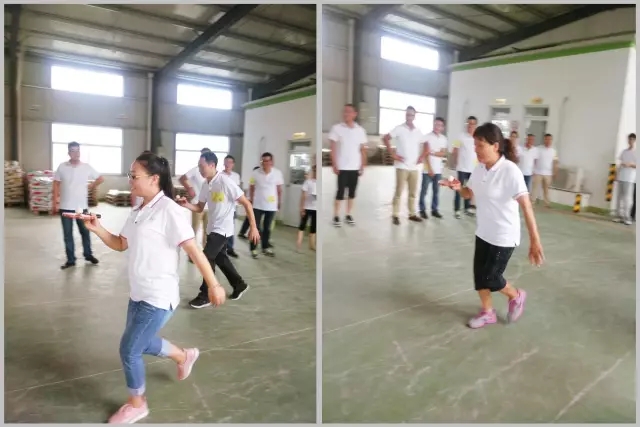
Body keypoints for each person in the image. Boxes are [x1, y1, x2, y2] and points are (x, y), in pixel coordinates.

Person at [82, 151, 226, 424]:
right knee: (142, 341)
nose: (130, 180)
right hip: (138, 292)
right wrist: (97, 228)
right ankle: (184, 356)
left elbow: (194, 251)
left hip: (158, 296)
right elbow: (121, 244)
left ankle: (137, 404)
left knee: (129, 349)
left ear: (154, 179)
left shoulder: (169, 211)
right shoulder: (139, 211)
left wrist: (214, 284)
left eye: (134, 175)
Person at [441, 122, 544, 329]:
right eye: (475, 146)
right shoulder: (479, 169)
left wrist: (535, 240)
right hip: (483, 232)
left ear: (495, 146)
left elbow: (526, 206)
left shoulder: (510, 171)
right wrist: (458, 188)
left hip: (504, 236)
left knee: (491, 277)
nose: (476, 150)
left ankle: (516, 295)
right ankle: (488, 312)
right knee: (480, 277)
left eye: (480, 146)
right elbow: (469, 194)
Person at [177, 151, 260, 309]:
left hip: (223, 229)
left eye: (202, 166)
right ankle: (239, 285)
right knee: (221, 258)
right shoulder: (206, 184)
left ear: (212, 165)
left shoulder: (225, 182)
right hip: (212, 228)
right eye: (199, 166)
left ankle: (205, 295)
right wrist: (186, 204)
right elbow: (199, 207)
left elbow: (247, 203)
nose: (200, 169)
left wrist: (253, 227)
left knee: (206, 257)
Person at [52, 141, 104, 269]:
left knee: (85, 232)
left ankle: (88, 254)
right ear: (69, 152)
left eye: (78, 150)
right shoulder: (62, 167)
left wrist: (91, 186)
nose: (76, 153)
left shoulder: (86, 167)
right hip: (65, 206)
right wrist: (55, 201)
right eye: (73, 151)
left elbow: (100, 178)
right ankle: (71, 260)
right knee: (67, 234)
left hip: (81, 207)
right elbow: (56, 183)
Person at [383, 106, 425, 225]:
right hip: (401, 166)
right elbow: (385, 138)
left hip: (414, 167)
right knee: (399, 191)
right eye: (407, 114)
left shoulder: (418, 131)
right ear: (405, 115)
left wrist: (422, 156)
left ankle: (412, 214)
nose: (409, 117)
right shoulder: (399, 128)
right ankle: (395, 215)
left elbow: (425, 144)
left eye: (411, 115)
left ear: (414, 116)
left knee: (413, 192)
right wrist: (392, 154)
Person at [329, 103, 368, 226]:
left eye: (349, 111)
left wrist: (363, 165)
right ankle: (336, 216)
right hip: (342, 167)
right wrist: (334, 163)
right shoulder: (337, 128)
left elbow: (363, 149)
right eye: (344, 111)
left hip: (355, 167)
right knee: (340, 192)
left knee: (352, 193)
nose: (346, 113)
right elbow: (332, 148)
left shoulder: (360, 130)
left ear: (355, 114)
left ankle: (348, 214)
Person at [248, 152, 284, 258]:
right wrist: (251, 200)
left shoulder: (277, 173)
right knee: (255, 227)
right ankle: (253, 249)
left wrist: (279, 202)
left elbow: (279, 189)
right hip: (257, 205)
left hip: (271, 206)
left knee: (267, 228)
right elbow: (251, 187)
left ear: (272, 162)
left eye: (268, 161)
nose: (265, 163)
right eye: (263, 161)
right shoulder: (255, 173)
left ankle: (265, 247)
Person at [178, 148, 211, 256]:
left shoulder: (212, 171)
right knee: (194, 229)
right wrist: (190, 188)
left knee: (207, 231)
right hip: (197, 204)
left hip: (210, 206)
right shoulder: (196, 170)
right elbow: (182, 178)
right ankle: (192, 254)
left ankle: (206, 253)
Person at [419, 116, 448, 219]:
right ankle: (422, 210)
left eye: (440, 125)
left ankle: (434, 210)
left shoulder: (444, 139)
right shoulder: (427, 137)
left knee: (436, 191)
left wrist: (432, 152)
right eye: (436, 124)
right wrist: (429, 168)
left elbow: (443, 153)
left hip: (438, 170)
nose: (437, 127)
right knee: (424, 191)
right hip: (427, 170)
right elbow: (425, 154)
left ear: (443, 127)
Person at [450, 116, 478, 218]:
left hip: (473, 169)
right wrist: (455, 163)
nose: (470, 126)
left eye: (473, 124)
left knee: (469, 189)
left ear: (476, 125)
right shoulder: (460, 136)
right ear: (466, 124)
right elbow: (454, 150)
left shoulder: (478, 137)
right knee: (459, 189)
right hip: (461, 168)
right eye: (469, 123)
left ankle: (467, 208)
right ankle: (457, 210)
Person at [221, 155, 242, 258]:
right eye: (226, 162)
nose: (228, 164)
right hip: (221, 206)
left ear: (233, 164)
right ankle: (220, 249)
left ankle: (230, 248)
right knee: (220, 228)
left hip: (232, 206)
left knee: (230, 227)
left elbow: (237, 189)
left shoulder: (236, 176)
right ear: (223, 163)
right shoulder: (219, 175)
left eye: (230, 162)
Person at [614, 133, 636, 225]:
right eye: (629, 139)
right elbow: (619, 163)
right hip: (621, 177)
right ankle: (619, 216)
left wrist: (630, 164)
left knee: (628, 198)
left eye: (632, 139)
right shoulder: (624, 152)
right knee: (619, 197)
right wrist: (616, 175)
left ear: (635, 141)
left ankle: (627, 217)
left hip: (629, 179)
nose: (630, 141)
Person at [531, 134, 558, 207]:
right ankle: (532, 203)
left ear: (551, 140)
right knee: (535, 189)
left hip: (548, 174)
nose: (548, 141)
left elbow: (555, 162)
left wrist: (555, 172)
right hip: (538, 172)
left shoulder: (553, 151)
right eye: (546, 139)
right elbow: (534, 160)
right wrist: (533, 169)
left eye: (550, 139)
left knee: (546, 190)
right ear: (544, 140)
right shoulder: (538, 149)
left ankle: (547, 203)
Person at [297, 165, 317, 251]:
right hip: (307, 207)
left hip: (316, 209)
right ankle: (298, 245)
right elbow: (303, 196)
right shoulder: (308, 182)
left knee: (313, 227)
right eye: (315, 171)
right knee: (302, 226)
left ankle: (312, 245)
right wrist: (302, 208)